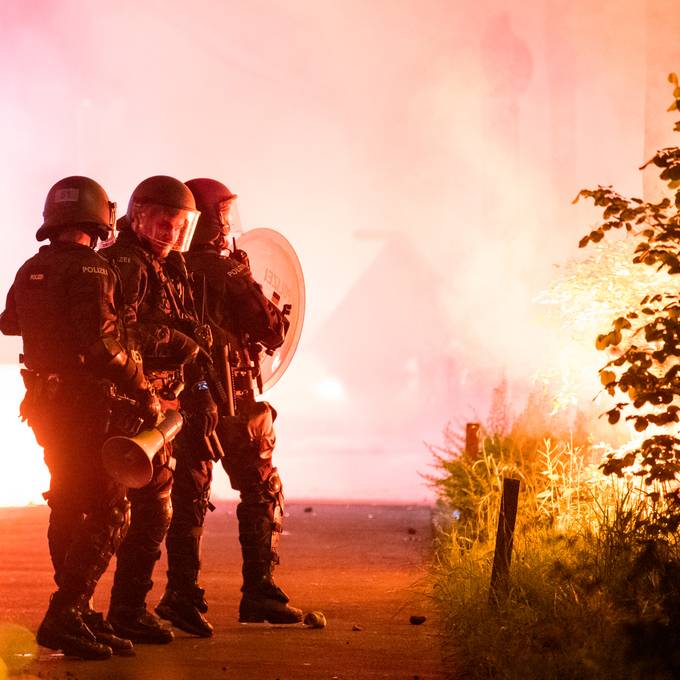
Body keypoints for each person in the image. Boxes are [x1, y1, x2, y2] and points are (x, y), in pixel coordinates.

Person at [0, 176, 160, 660]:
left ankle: (81, 611)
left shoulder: (32, 266)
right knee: (112, 508)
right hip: (89, 404)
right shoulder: (94, 268)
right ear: (98, 219)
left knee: (67, 503)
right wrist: (144, 387)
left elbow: (9, 322)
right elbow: (103, 347)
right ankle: (65, 612)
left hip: (46, 406)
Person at [154, 177, 302, 638]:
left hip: (186, 401)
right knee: (262, 489)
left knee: (188, 498)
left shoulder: (168, 267)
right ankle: (259, 590)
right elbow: (273, 329)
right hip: (232, 400)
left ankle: (181, 594)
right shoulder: (224, 272)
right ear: (213, 218)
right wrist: (244, 277)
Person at [100, 175, 219, 644]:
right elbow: (121, 336)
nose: (171, 231)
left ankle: (122, 610)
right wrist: (173, 342)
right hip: (128, 402)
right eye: (163, 221)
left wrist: (203, 389)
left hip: (162, 402)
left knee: (152, 510)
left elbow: (195, 343)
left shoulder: (174, 268)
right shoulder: (125, 265)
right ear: (139, 216)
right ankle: (110, 611)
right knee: (118, 511)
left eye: (179, 223)